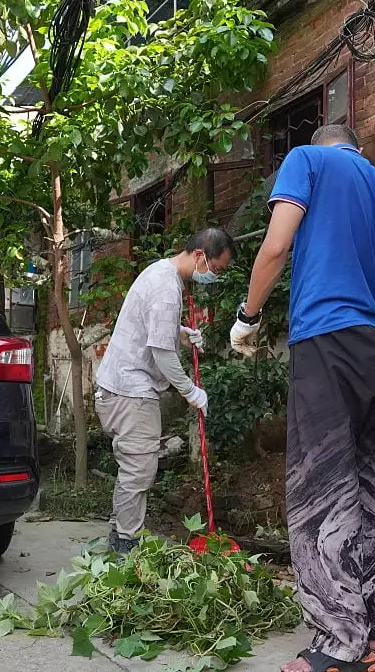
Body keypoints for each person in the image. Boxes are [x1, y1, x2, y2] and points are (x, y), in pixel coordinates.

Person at [231, 124, 375, 672]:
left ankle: (337, 647)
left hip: (324, 345)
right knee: (368, 491)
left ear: (320, 139)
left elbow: (277, 245)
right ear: (354, 145)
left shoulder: (305, 160)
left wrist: (248, 316)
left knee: (319, 492)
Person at [94, 227, 235, 554]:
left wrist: (181, 332)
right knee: (139, 470)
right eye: (216, 268)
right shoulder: (166, 288)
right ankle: (126, 548)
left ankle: (119, 538)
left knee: (134, 469)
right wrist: (190, 391)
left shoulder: (161, 273)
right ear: (200, 254)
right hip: (131, 391)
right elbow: (161, 352)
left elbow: (153, 329)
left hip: (122, 386)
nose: (214, 275)